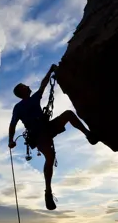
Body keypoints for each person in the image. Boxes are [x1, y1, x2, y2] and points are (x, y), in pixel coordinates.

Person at [8, 63, 99, 210]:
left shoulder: (28, 101)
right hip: (38, 134)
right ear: (22, 91)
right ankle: (48, 191)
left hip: (45, 129)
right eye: (25, 86)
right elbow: (12, 125)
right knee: (50, 156)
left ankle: (89, 135)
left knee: (68, 115)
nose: (28, 86)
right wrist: (10, 140)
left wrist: (11, 140)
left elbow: (43, 85)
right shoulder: (22, 105)